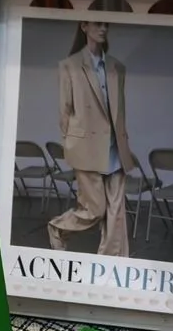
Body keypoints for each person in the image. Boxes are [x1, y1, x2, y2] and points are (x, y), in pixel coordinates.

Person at [47, 21, 135, 257]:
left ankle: (110, 264)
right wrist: (72, 143)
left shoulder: (117, 67)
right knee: (95, 209)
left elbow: (119, 112)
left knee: (116, 213)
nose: (103, 28)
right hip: (86, 147)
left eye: (106, 24)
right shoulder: (70, 66)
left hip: (115, 148)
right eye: (97, 24)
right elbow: (65, 112)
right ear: (84, 26)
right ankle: (58, 228)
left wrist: (124, 144)